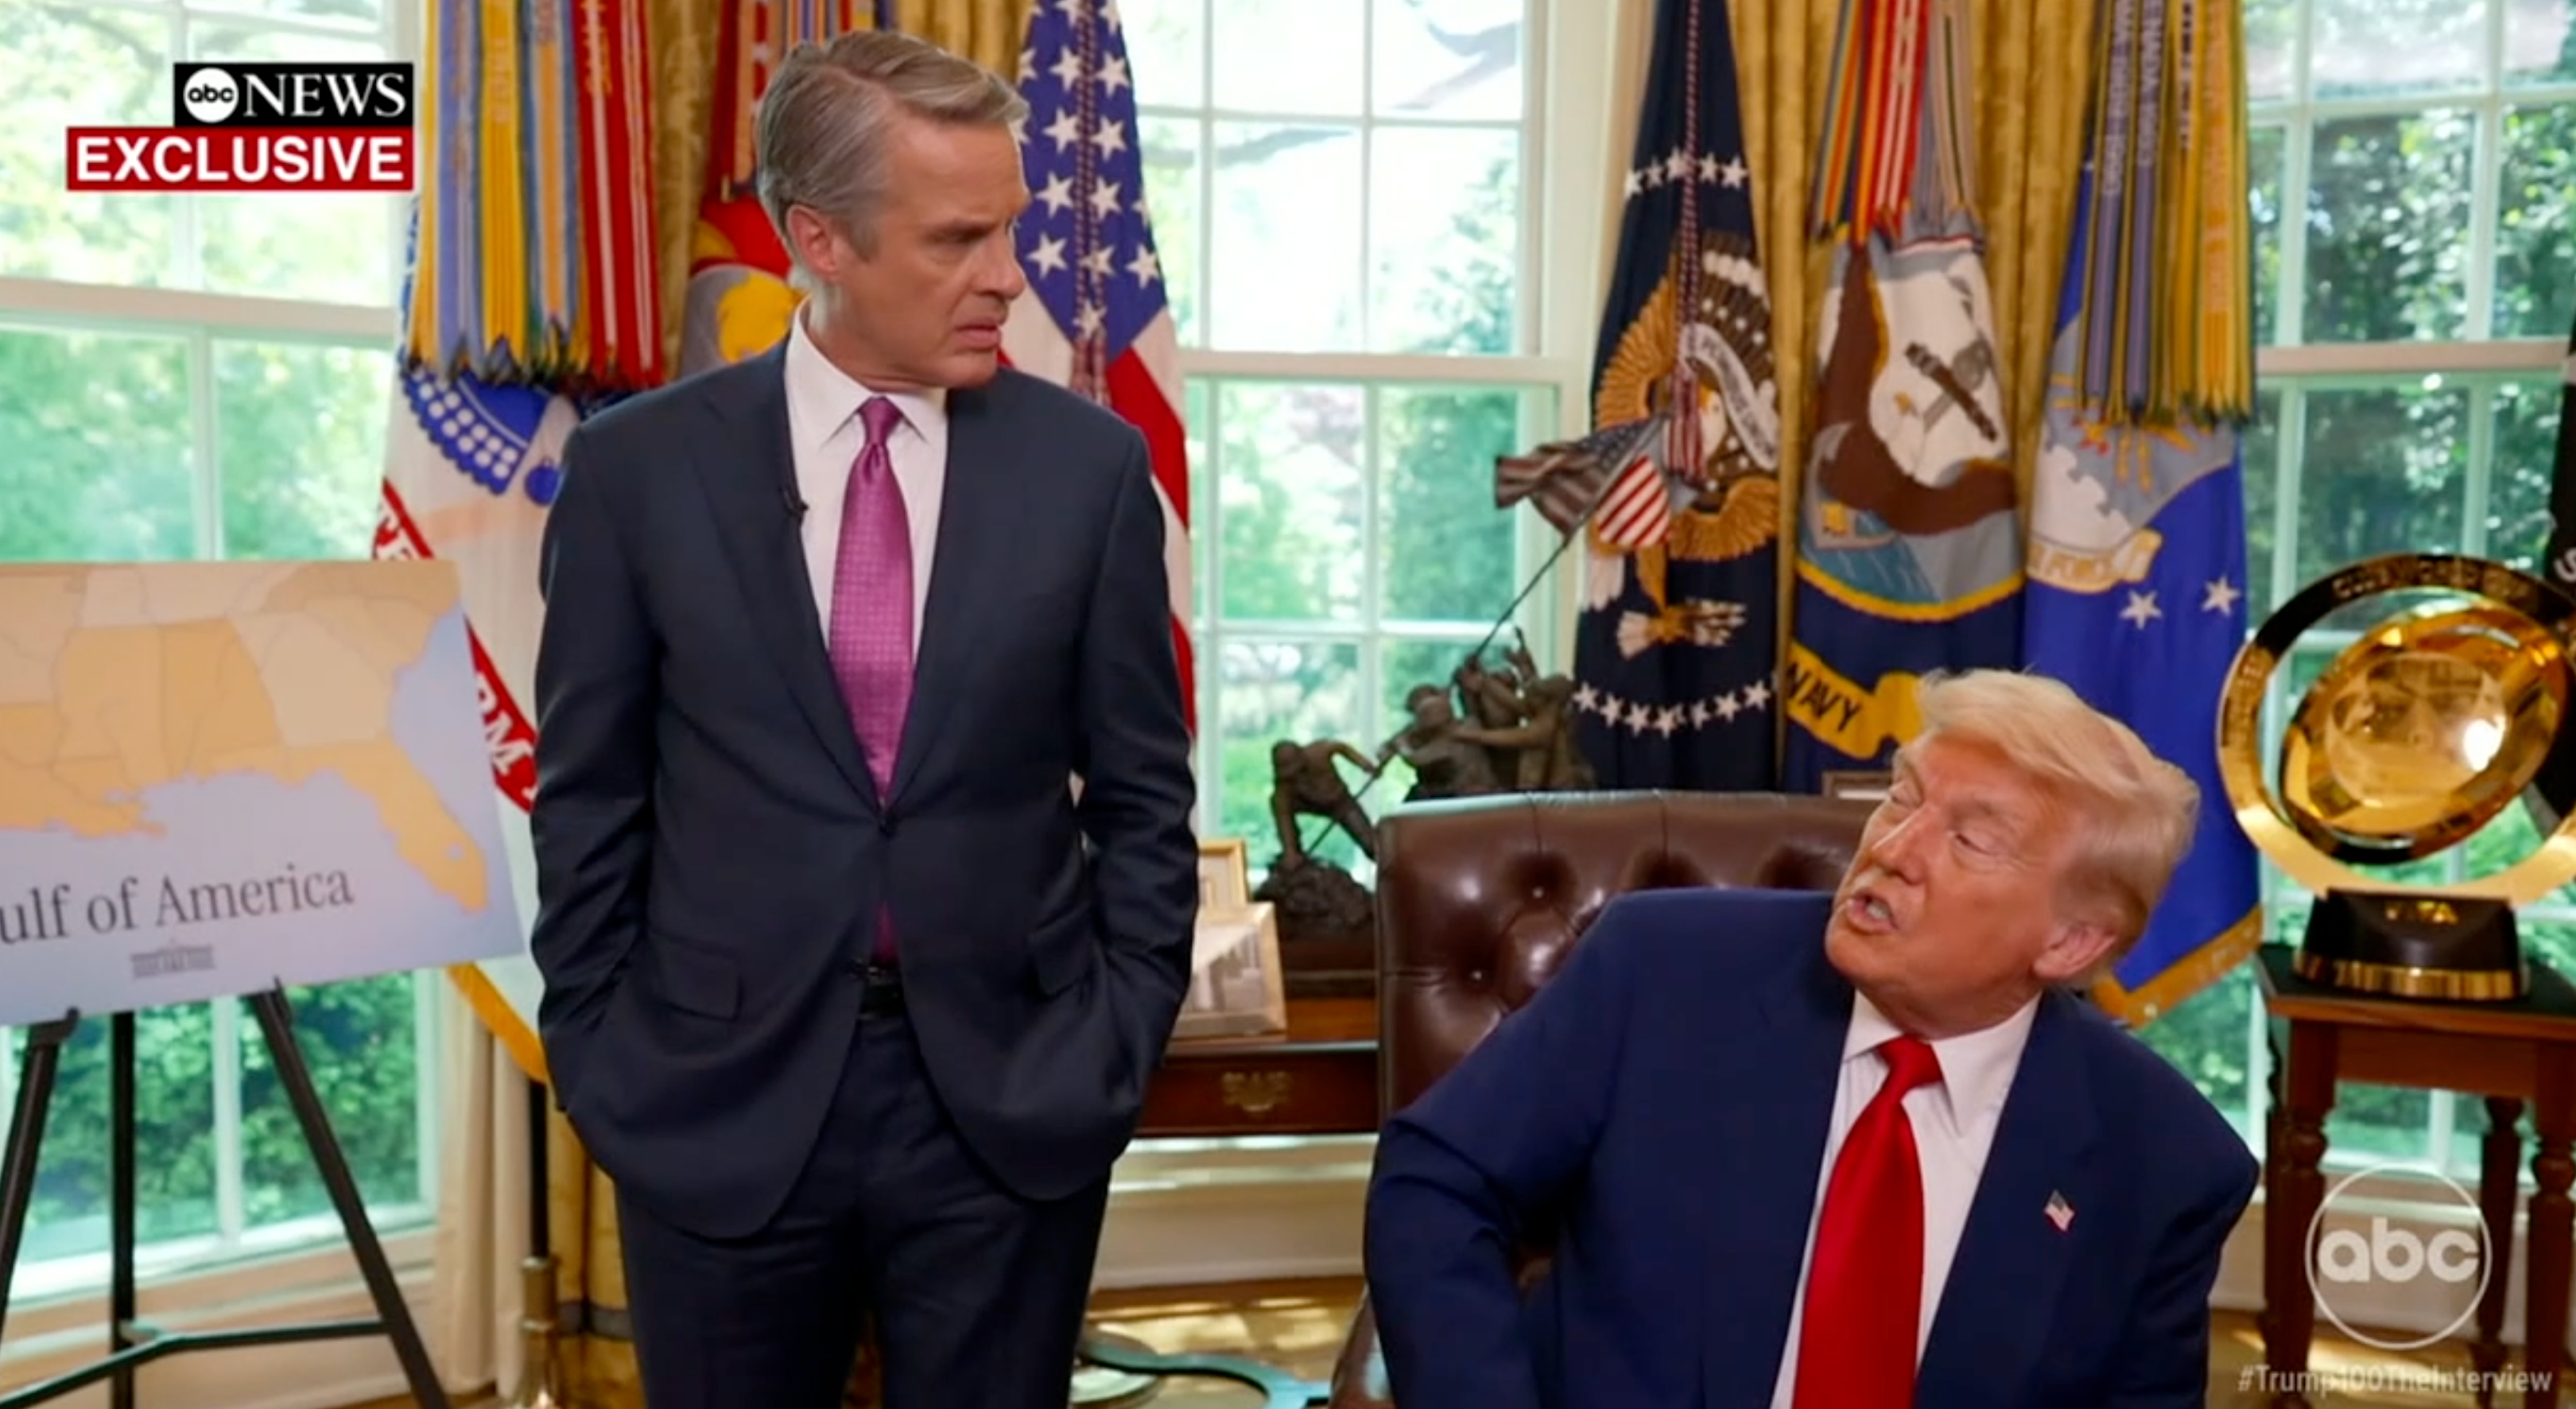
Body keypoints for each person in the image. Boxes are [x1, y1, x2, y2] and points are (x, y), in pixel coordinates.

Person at [524, 29, 1197, 1409]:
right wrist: (603, 1052)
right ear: (817, 239)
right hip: (714, 1103)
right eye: (958, 239)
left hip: (1013, 1106)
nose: (1006, 276)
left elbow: (1145, 797)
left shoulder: (1090, 472)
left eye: (1008, 228)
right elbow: (588, 797)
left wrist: (1115, 1038)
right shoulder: (637, 473)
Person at [1361, 669, 2259, 1409]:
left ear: (2069, 943)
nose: (1894, 847)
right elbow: (1436, 1179)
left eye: (1971, 840)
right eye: (1901, 798)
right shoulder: (1663, 969)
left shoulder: (2166, 1162)